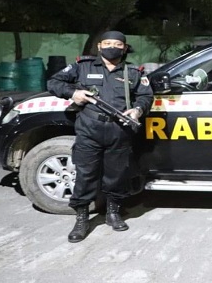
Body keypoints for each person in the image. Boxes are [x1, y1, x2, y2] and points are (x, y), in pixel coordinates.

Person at [47, 31, 153, 243]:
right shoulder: (82, 66)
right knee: (86, 175)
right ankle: (82, 218)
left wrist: (137, 110)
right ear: (99, 46)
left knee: (116, 175)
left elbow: (146, 95)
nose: (112, 47)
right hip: (89, 128)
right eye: (107, 43)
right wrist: (73, 93)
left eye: (117, 44)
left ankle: (113, 213)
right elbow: (53, 82)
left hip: (119, 130)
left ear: (124, 48)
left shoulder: (133, 72)